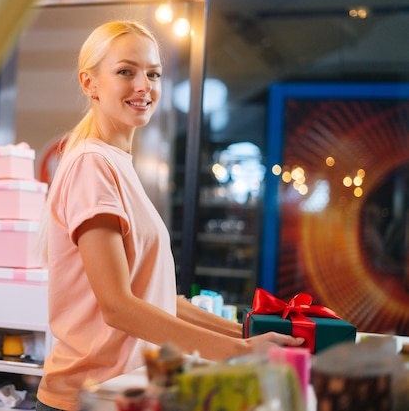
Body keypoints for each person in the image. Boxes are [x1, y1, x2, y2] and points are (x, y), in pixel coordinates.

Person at [35, 20, 304, 411]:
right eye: (126, 71)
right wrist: (238, 351)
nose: (144, 85)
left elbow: (157, 299)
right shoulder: (91, 165)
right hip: (85, 398)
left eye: (153, 74)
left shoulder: (116, 163)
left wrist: (253, 332)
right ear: (89, 83)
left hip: (128, 392)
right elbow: (118, 306)